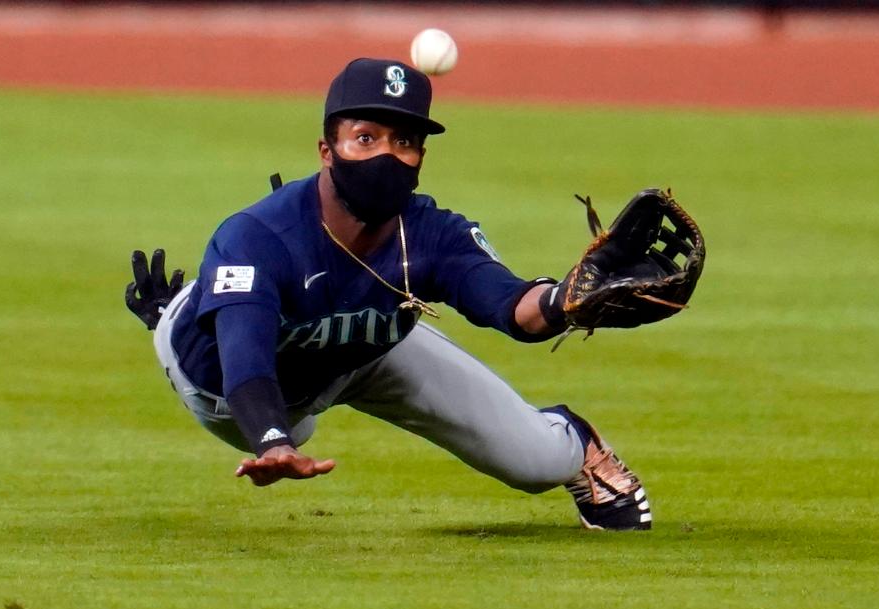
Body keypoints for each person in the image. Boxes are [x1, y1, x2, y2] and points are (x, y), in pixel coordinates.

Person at [126, 58, 651, 530]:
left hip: (367, 351)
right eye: (365, 137)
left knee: (535, 462)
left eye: (403, 142)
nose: (385, 155)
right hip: (233, 383)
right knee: (290, 425)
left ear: (421, 155)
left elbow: (512, 307)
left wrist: (563, 301)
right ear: (326, 150)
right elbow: (245, 366)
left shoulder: (431, 232)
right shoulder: (256, 237)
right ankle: (182, 308)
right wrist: (273, 442)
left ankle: (581, 448)